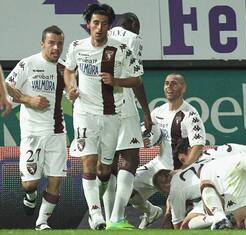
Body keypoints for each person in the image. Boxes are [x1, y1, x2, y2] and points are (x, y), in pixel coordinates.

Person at [64, 3, 143, 230]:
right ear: (88, 25)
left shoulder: (120, 49)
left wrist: (116, 81)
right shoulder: (77, 47)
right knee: (88, 162)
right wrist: (71, 86)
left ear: (109, 26)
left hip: (111, 114)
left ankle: (96, 206)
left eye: (104, 24)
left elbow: (137, 78)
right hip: (84, 112)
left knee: (104, 170)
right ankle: (96, 214)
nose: (99, 28)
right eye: (95, 23)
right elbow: (68, 70)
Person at [5, 25, 67, 230]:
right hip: (32, 132)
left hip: (57, 133)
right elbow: (6, 86)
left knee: (55, 181)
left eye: (59, 44)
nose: (56, 48)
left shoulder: (64, 69)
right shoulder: (28, 64)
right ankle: (30, 195)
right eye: (51, 43)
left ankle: (42, 222)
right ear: (42, 44)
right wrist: (28, 99)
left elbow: (76, 93)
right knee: (30, 183)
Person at [153, 140, 246, 229]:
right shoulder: (212, 155)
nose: (185, 164)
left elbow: (178, 226)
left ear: (192, 151)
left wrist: (168, 211)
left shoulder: (196, 169)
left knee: (238, 219)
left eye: (184, 160)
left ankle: (223, 220)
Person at [129, 73, 206, 229]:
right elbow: (148, 132)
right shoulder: (158, 111)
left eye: (174, 83)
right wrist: (144, 139)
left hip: (180, 171)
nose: (169, 87)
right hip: (159, 165)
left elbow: (198, 146)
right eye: (166, 83)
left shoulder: (190, 114)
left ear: (184, 88)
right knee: (125, 187)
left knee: (170, 224)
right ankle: (151, 212)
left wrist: (182, 171)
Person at [101, 12, 152, 229]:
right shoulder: (132, 38)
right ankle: (117, 217)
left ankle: (104, 219)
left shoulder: (97, 37)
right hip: (122, 104)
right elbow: (136, 78)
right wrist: (147, 111)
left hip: (96, 108)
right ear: (133, 25)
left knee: (109, 165)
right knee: (129, 157)